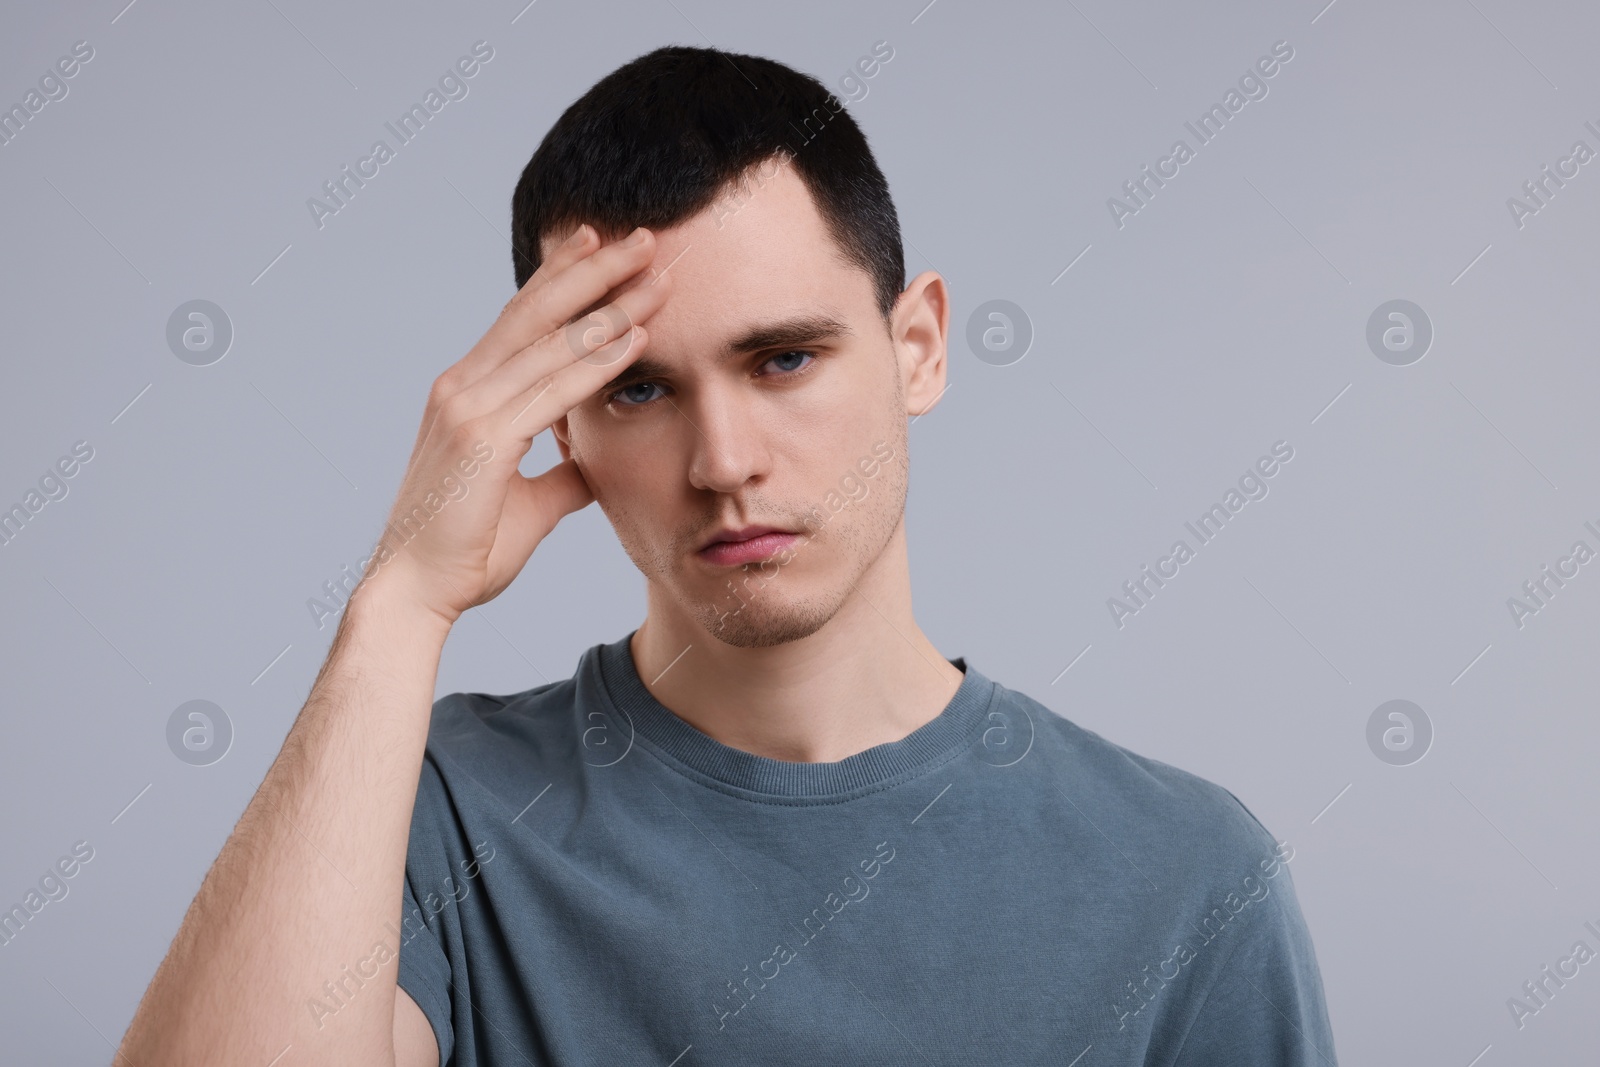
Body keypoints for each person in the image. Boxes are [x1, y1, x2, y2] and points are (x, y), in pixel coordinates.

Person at [117, 45, 1337, 1066]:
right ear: (557, 421)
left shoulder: (1183, 874)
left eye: (782, 359)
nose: (721, 459)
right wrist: (397, 607)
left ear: (916, 347)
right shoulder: (437, 810)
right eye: (638, 387)